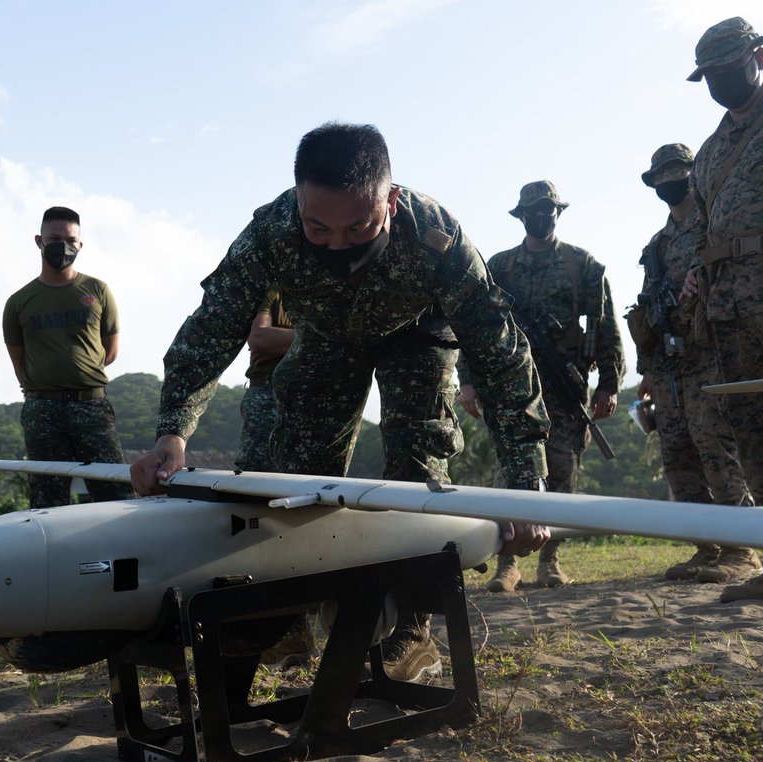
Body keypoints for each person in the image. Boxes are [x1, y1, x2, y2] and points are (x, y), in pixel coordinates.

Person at [130, 122, 552, 678]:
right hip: (327, 336)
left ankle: (410, 631)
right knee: (298, 472)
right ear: (298, 200)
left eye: (359, 227)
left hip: (419, 335)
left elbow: (502, 357)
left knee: (418, 466)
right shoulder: (273, 231)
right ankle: (290, 616)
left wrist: (527, 484)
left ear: (392, 202)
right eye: (318, 228)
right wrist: (173, 429)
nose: (336, 244)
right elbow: (211, 330)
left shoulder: (437, 239)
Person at [460, 181, 625, 592]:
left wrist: (609, 382)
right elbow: (474, 328)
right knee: (509, 472)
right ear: (521, 215)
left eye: (547, 209)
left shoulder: (581, 265)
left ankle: (550, 561)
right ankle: (507, 565)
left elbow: (605, 328)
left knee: (563, 470)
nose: (540, 216)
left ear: (557, 212)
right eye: (532, 210)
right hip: (510, 384)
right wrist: (467, 380)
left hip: (564, 385)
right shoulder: (500, 267)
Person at [629, 145, 754, 582]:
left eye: (677, 172)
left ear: (692, 175)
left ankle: (743, 549)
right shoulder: (657, 246)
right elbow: (647, 309)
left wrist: (703, 282)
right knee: (678, 456)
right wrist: (647, 368)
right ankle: (708, 546)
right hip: (668, 365)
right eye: (660, 176)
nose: (669, 181)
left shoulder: (711, 226)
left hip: (710, 355)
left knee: (716, 449)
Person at [681, 17, 763, 602]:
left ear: (756, 56)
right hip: (730, 307)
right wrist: (695, 275)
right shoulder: (709, 152)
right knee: (752, 431)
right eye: (708, 75)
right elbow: (706, 225)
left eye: (727, 69)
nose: (718, 82)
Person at [2, 206, 132, 508]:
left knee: (113, 492)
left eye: (71, 240)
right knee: (48, 500)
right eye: (55, 238)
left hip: (92, 407)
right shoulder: (19, 302)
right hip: (42, 410)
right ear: (39, 241)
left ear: (80, 245)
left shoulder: (97, 290)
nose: (64, 246)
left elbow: (109, 352)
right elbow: (19, 364)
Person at [236, 288, 292, 472]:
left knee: (314, 480)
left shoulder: (333, 292)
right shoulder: (274, 291)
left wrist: (281, 342)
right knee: (257, 476)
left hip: (318, 396)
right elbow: (260, 338)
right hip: (269, 394)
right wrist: (317, 338)